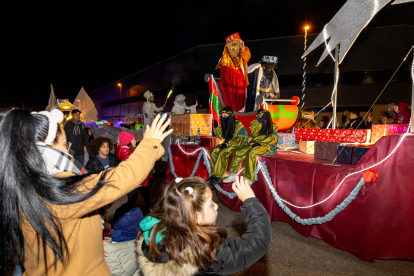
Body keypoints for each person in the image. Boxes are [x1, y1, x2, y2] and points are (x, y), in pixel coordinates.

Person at [0, 108, 173, 276]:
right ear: (49, 147)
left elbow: (56, 235)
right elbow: (120, 178)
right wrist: (150, 143)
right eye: (65, 144)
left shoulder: (18, 184)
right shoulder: (59, 189)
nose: (68, 149)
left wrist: (91, 245)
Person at [135, 176, 272, 276]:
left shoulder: (153, 237)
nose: (216, 206)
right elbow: (257, 242)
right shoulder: (206, 251)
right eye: (211, 205)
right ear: (197, 217)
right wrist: (250, 202)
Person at [223, 109, 278, 184]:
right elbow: (253, 132)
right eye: (260, 115)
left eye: (263, 115)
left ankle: (248, 178)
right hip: (254, 143)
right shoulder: (257, 123)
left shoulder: (273, 126)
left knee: (251, 153)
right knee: (238, 151)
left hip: (267, 146)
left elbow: (273, 139)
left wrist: (261, 143)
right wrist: (259, 121)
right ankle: (233, 174)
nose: (261, 116)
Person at [207, 107, 248, 185]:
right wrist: (215, 127)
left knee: (223, 152)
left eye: (225, 116)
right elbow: (222, 135)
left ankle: (220, 175)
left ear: (230, 115)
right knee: (214, 152)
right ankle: (214, 174)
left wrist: (228, 144)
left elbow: (242, 139)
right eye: (222, 116)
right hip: (227, 143)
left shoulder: (238, 125)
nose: (223, 117)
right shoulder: (226, 124)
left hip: (238, 145)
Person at [117, 131, 152, 212]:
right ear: (128, 142)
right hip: (134, 180)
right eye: (133, 140)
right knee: (133, 199)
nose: (135, 141)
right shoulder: (126, 153)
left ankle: (148, 207)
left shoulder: (129, 150)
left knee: (145, 194)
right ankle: (127, 213)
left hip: (138, 179)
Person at [215, 32, 251, 112]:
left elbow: (247, 56)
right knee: (232, 102)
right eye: (236, 44)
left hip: (241, 85)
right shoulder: (224, 59)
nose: (239, 45)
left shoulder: (242, 54)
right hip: (231, 86)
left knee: (242, 103)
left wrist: (242, 48)